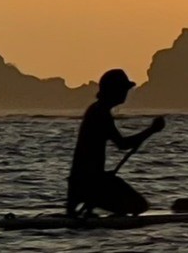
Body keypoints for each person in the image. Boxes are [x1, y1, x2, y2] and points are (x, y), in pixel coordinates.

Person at [68, 68, 162, 218]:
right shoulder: (100, 113)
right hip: (90, 182)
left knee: (129, 207)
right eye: (123, 90)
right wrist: (151, 130)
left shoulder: (97, 110)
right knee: (140, 206)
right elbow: (123, 144)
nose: (125, 94)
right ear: (114, 91)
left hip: (85, 180)